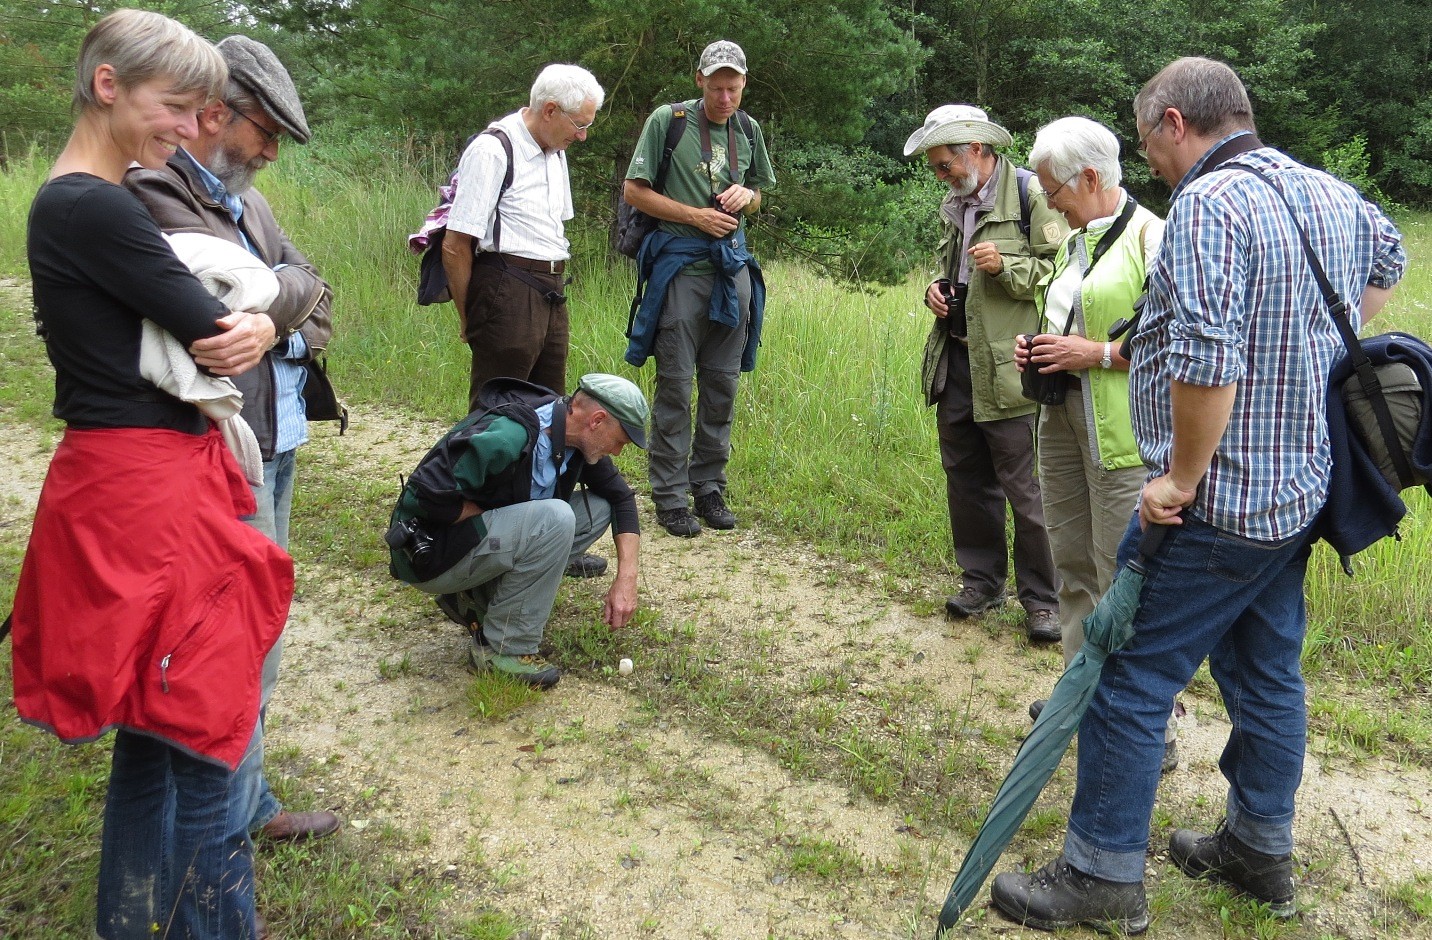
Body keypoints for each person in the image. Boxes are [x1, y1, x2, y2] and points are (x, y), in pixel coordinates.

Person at [990, 58, 1406, 934]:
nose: (1152, 166)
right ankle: (1259, 850)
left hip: (1218, 503)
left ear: (1175, 122)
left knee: (1128, 673)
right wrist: (1307, 356)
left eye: (1149, 145)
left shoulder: (1209, 207)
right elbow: (1388, 258)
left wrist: (1177, 479)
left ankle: (1101, 874)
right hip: (1300, 491)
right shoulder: (1324, 190)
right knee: (1263, 673)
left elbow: (1208, 364)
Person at [12, 10, 293, 938]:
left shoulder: (76, 199)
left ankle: (130, 924)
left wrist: (253, 325)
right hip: (152, 487)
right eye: (174, 107)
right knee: (206, 730)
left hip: (119, 475)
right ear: (108, 87)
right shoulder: (93, 203)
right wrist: (252, 324)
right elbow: (217, 339)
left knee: (153, 727)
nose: (186, 128)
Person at [125, 34, 340, 846]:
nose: (271, 152)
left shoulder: (247, 204)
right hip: (217, 449)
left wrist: (271, 311)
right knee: (222, 638)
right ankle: (217, 830)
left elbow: (315, 287)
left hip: (277, 439)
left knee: (263, 625)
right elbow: (207, 312)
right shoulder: (155, 191)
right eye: (266, 132)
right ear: (218, 113)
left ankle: (244, 804)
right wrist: (279, 303)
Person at [1014, 116, 1181, 772]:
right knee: (1072, 561)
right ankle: (1080, 691)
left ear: (1089, 177)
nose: (1046, 198)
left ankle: (1150, 723)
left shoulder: (1153, 236)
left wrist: (1099, 353)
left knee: (1124, 577)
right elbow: (1066, 308)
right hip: (1062, 421)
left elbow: (1174, 340)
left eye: (1054, 186)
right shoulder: (1075, 237)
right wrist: (1042, 344)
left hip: (1124, 437)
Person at [904, 105, 1065, 641]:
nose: (940, 174)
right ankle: (982, 581)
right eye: (936, 167)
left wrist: (1008, 267)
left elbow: (1062, 275)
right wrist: (935, 288)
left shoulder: (1030, 195)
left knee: (1026, 488)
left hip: (1010, 368)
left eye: (945, 163)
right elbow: (957, 274)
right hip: (957, 360)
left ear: (976, 149)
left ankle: (1044, 601)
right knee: (966, 480)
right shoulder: (956, 204)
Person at [388, 374, 648, 689]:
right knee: (555, 518)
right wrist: (500, 516)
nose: (618, 452)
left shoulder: (573, 438)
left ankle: (478, 595)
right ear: (597, 420)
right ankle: (503, 650)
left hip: (473, 542)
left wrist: (627, 579)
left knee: (597, 510)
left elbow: (621, 499)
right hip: (433, 556)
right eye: (619, 440)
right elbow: (423, 496)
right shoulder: (510, 436)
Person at [622, 40, 776, 538]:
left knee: (722, 384)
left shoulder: (747, 129)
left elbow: (758, 196)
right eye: (716, 87)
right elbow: (634, 190)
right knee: (675, 386)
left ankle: (708, 483)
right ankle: (668, 495)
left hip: (732, 274)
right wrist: (695, 216)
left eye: (733, 88)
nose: (725, 97)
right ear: (699, 81)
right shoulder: (668, 122)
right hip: (680, 273)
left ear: (744, 84)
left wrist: (746, 195)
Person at [443, 65, 604, 413]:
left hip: (551, 290)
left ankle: (533, 471)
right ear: (549, 110)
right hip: (507, 288)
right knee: (498, 415)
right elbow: (455, 245)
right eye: (579, 124)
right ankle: (472, 468)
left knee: (549, 412)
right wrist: (469, 316)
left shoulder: (555, 151)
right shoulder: (493, 149)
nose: (582, 136)